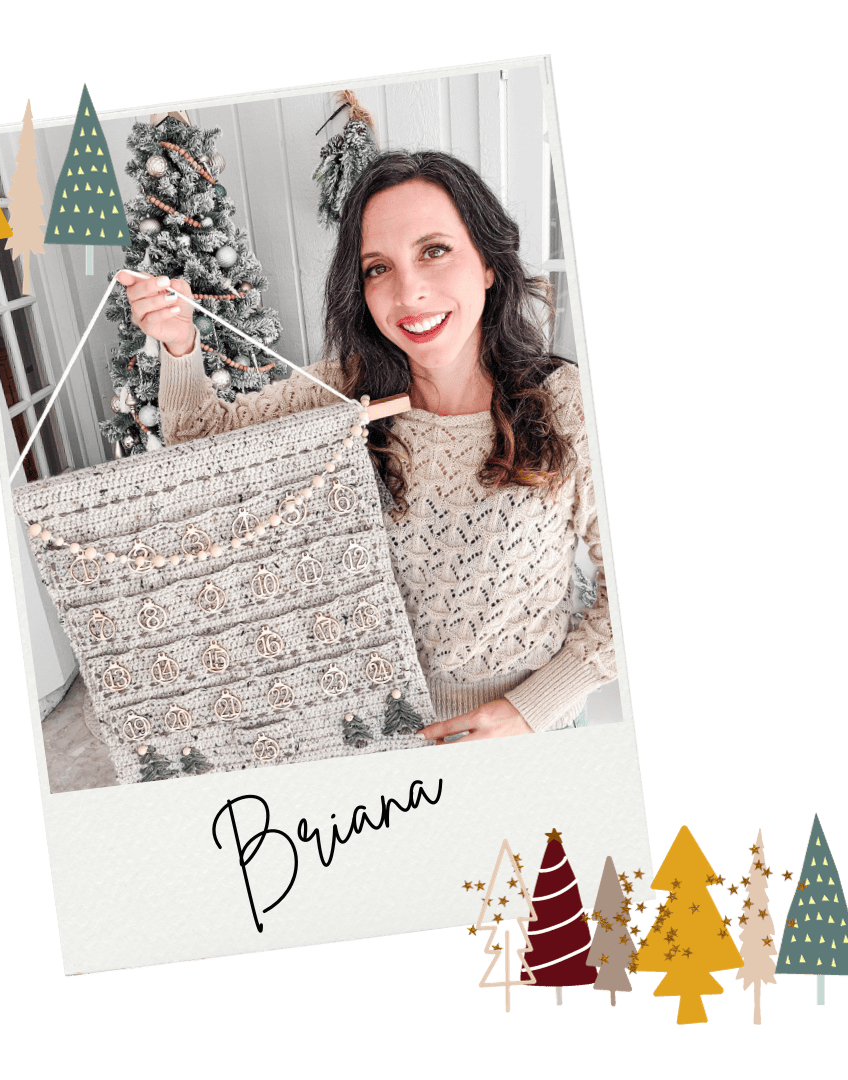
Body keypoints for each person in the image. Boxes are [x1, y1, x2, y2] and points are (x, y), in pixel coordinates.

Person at [117, 150, 615, 743]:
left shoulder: (569, 407)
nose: (409, 294)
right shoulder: (343, 390)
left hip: (532, 737)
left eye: (434, 250)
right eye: (378, 267)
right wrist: (178, 344)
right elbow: (198, 438)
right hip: (378, 735)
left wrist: (532, 708)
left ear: (487, 262)